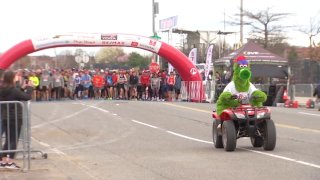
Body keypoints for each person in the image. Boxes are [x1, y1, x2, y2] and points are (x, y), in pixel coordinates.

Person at [0, 70, 32, 169]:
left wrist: (21, 88)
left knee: (8, 140)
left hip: (5, 116)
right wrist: (30, 88)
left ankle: (3, 161)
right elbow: (26, 97)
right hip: (15, 117)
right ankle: (10, 162)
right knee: (13, 140)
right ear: (12, 78)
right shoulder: (14, 90)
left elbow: (17, 94)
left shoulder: (3, 89)